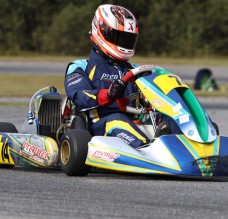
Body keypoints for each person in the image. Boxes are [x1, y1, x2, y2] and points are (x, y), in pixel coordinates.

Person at [64, 4, 179, 148]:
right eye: (118, 37)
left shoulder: (136, 70)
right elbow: (79, 95)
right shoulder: (80, 66)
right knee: (117, 120)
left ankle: (194, 146)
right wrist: (108, 95)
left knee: (172, 116)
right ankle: (146, 150)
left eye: (127, 39)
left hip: (137, 122)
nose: (123, 43)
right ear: (101, 31)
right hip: (100, 126)